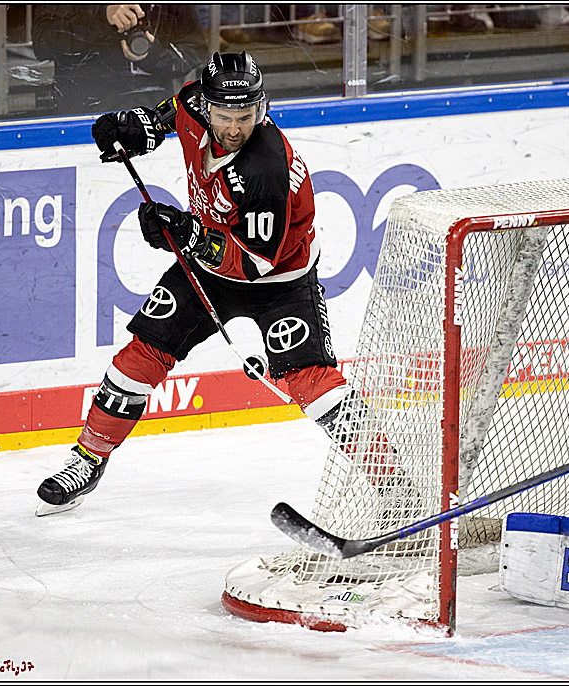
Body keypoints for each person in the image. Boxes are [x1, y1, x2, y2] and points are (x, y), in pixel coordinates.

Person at [36, 51, 416, 523]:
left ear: (261, 108)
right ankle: (88, 458)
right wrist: (136, 128)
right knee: (141, 354)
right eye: (224, 116)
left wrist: (188, 234)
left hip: (280, 281)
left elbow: (254, 263)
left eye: (246, 116)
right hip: (206, 270)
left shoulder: (266, 168)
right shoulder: (196, 104)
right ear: (208, 105)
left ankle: (398, 485)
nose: (235, 127)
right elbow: (170, 113)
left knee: (311, 381)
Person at [32, 4, 207, 116]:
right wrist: (102, 17)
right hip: (84, 118)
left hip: (152, 116)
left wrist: (154, 56)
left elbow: (193, 51)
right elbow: (43, 44)